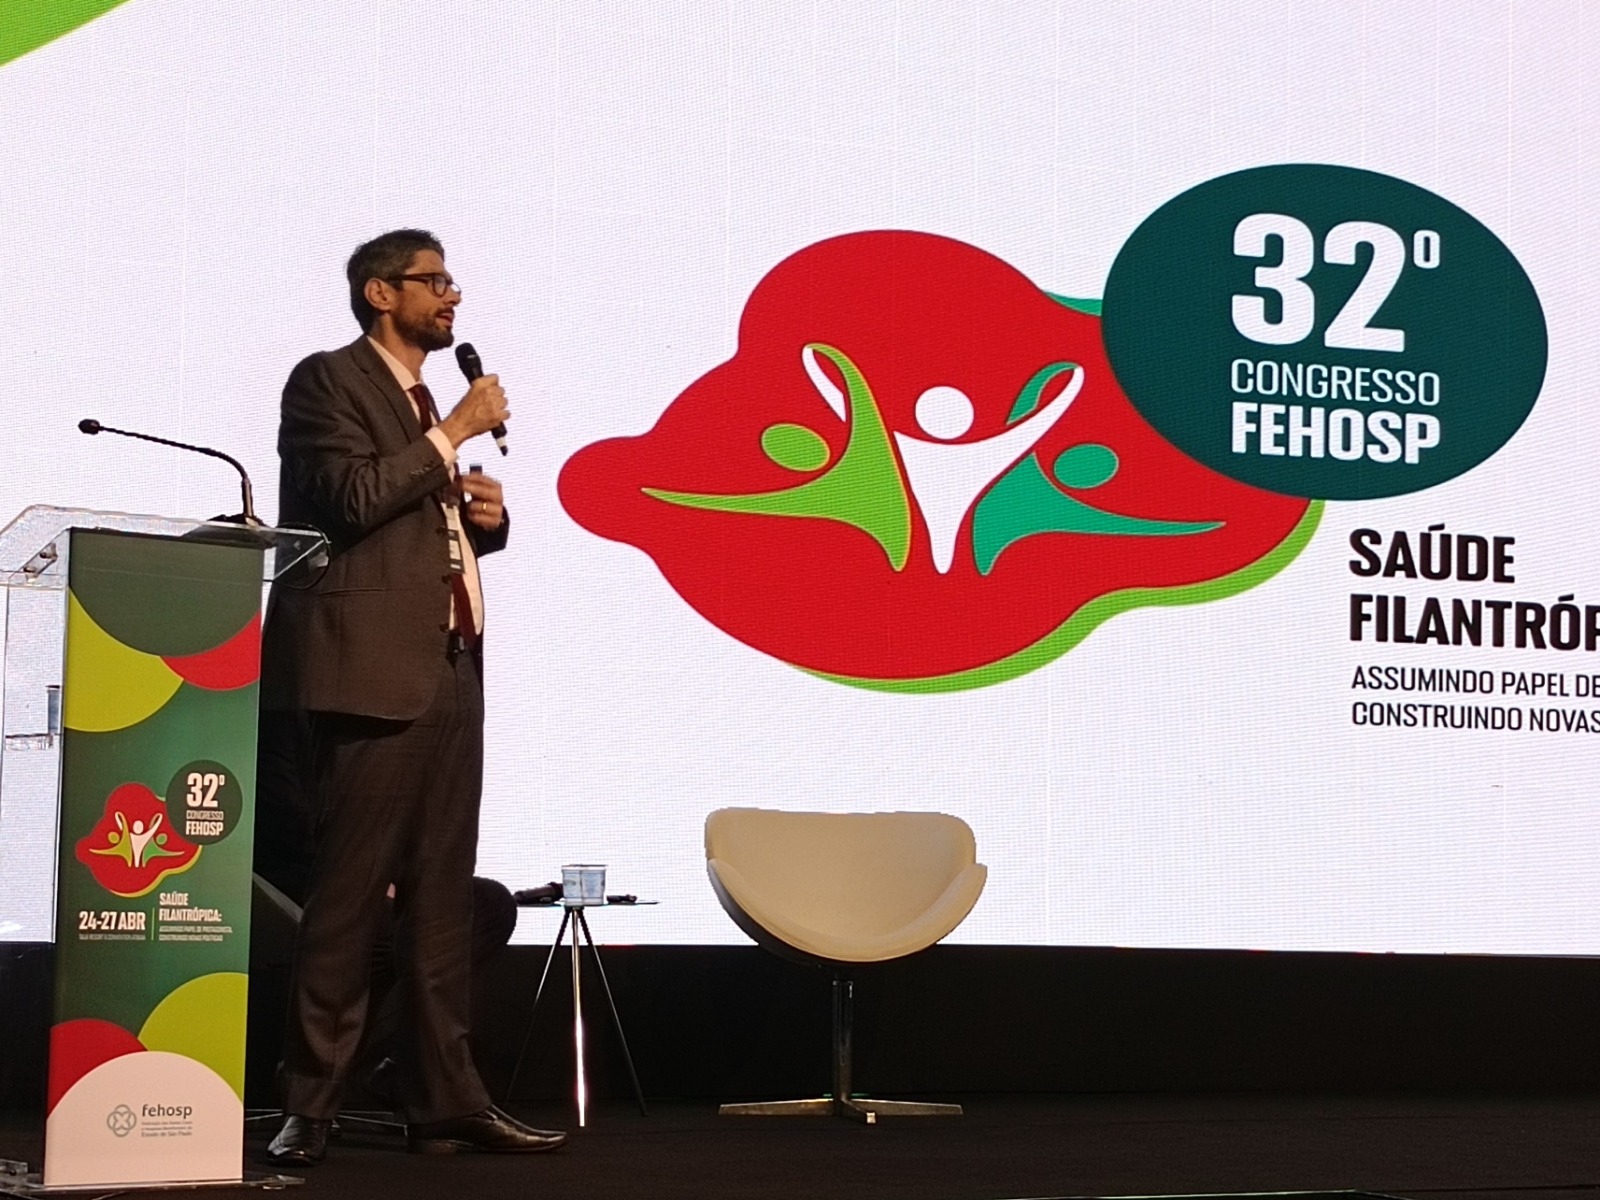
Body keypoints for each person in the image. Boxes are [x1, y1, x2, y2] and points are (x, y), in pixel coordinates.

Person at [260, 229, 563, 1165]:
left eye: (451, 281)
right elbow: (349, 499)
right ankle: (309, 1104)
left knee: (440, 903)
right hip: (365, 671)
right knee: (349, 901)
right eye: (433, 281)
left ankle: (445, 1102)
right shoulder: (327, 381)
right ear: (380, 292)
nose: (451, 296)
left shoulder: (427, 403)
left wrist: (485, 522)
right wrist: (453, 432)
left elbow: (411, 527)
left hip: (450, 668)